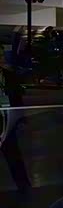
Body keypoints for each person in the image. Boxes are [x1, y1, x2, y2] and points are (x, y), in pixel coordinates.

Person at [0, 47, 29, 192]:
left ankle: (24, 187)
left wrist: (21, 120)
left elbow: (17, 99)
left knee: (13, 155)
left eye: (1, 55)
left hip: (8, 121)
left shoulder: (9, 76)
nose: (1, 58)